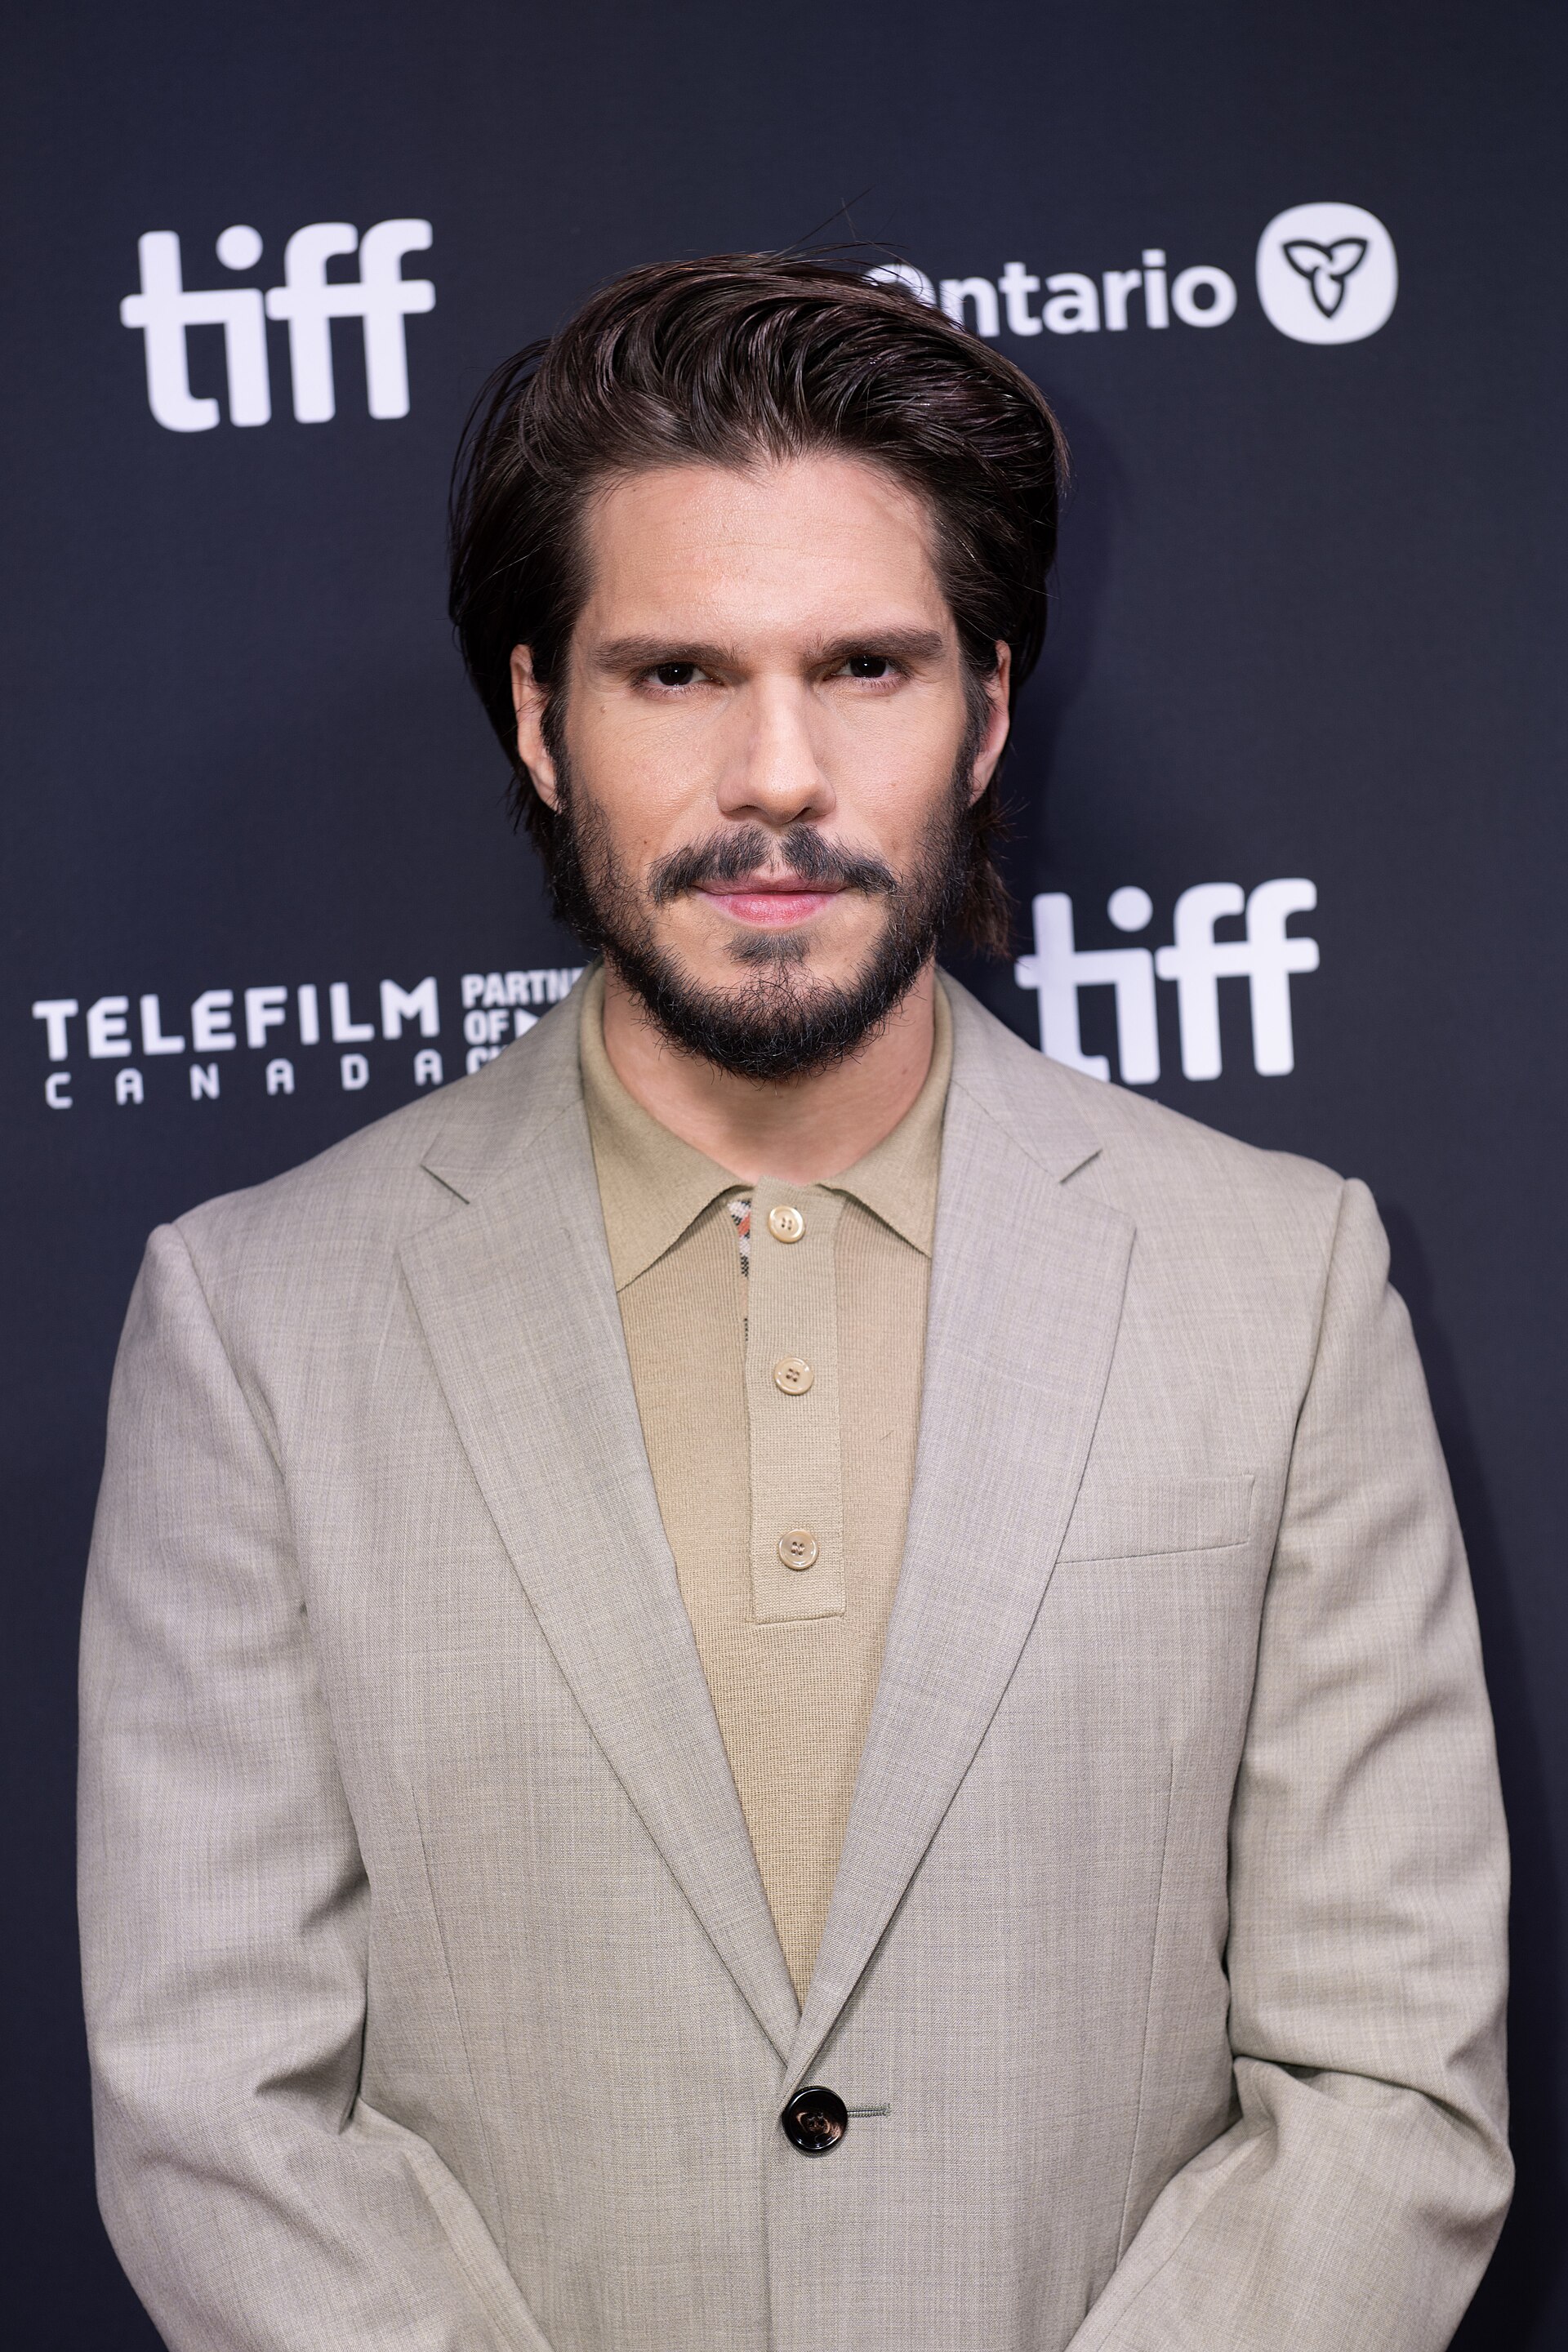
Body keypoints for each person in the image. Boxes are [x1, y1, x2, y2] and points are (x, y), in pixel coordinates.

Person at [78, 255, 1510, 2352]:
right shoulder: (252, 1321)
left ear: (990, 707)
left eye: (865, 667)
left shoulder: (1279, 1283)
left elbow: (1388, 2084)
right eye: (675, 675)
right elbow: (217, 2111)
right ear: (537, 716)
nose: (776, 775)